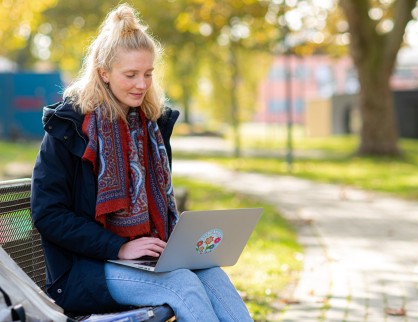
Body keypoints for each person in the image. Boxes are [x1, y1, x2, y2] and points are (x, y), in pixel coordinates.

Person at [31, 4, 253, 322]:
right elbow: (48, 214)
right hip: (84, 269)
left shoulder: (152, 126)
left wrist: (182, 241)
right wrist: (118, 247)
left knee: (211, 274)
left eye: (148, 74)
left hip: (146, 258)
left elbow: (161, 205)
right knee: (182, 284)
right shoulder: (68, 128)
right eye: (131, 75)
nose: (141, 84)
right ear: (103, 73)